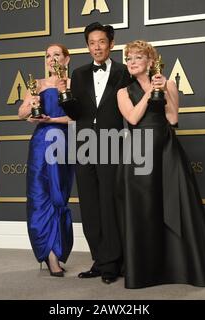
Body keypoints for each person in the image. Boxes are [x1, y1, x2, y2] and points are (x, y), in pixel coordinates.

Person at [116, 40, 205, 288]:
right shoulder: (123, 92)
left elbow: (173, 118)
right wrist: (148, 93)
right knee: (143, 210)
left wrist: (164, 90)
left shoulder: (170, 84)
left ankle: (181, 268)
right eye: (129, 58)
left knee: (176, 204)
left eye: (137, 58)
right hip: (138, 154)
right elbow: (133, 118)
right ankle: (145, 270)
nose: (132, 63)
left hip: (166, 148)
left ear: (150, 61)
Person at [58, 22, 131, 284]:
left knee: (109, 203)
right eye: (92, 42)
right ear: (87, 46)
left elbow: (131, 109)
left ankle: (113, 263)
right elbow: (75, 114)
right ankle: (99, 260)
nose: (97, 47)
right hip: (84, 145)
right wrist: (64, 96)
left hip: (112, 143)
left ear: (111, 44)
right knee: (89, 205)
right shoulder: (77, 74)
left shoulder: (124, 72)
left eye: (101, 41)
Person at [18, 44, 75, 277]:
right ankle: (50, 255)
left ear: (66, 60)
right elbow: (22, 113)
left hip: (63, 143)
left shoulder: (73, 85)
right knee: (39, 196)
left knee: (58, 196)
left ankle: (58, 249)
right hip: (41, 144)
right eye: (48, 56)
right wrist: (32, 108)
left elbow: (77, 117)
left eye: (56, 55)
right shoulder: (37, 85)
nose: (51, 59)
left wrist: (53, 119)